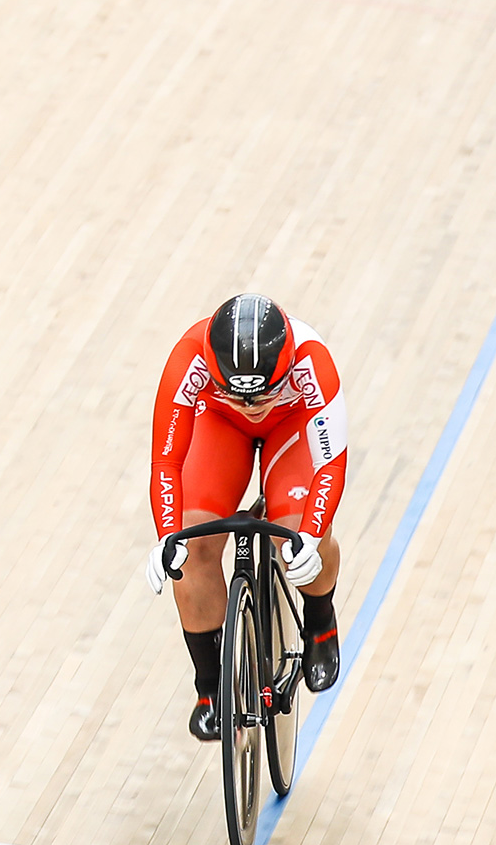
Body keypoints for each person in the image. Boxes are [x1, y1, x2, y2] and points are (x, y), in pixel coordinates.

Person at [143, 293, 346, 740]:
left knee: (294, 537)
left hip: (290, 425)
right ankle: (210, 688)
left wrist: (312, 535)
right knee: (191, 547)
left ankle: (319, 621)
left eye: (264, 392)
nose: (253, 403)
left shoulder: (313, 359)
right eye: (240, 392)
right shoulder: (189, 356)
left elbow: (331, 464)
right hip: (220, 424)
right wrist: (167, 535)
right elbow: (166, 462)